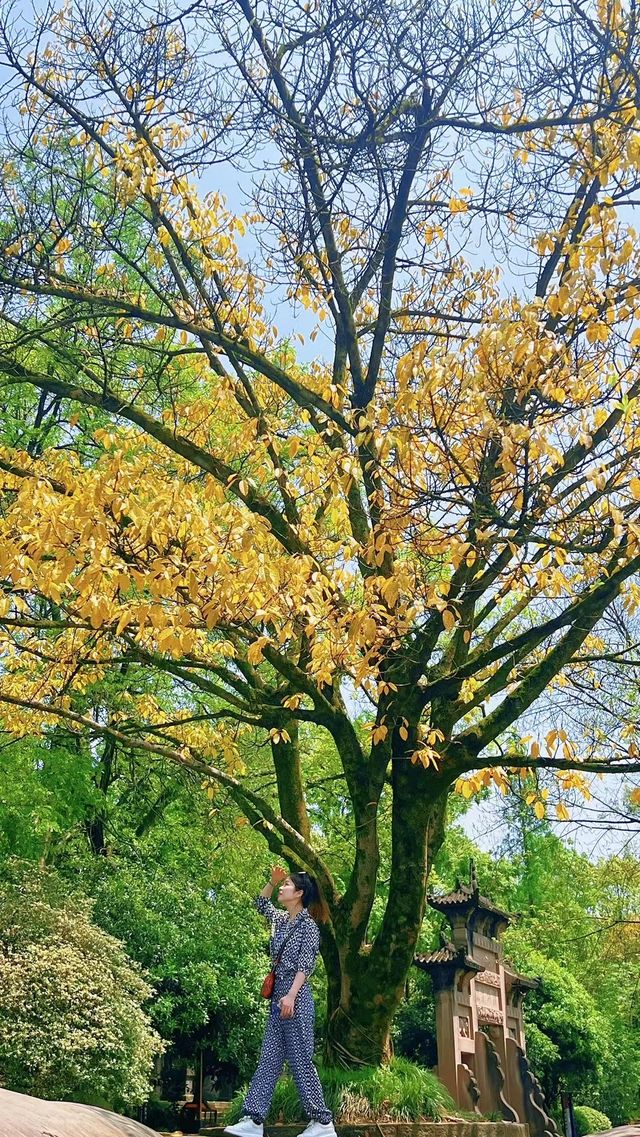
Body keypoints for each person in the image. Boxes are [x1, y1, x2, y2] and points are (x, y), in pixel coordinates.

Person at [224, 867, 337, 1137]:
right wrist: (272, 882)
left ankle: (322, 1122)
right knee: (269, 1059)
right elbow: (260, 903)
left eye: (286, 885)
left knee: (300, 1060)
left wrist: (291, 995)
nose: (283, 888)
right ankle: (254, 1120)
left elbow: (305, 964)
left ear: (299, 894)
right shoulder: (281, 920)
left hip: (294, 996)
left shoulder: (308, 925)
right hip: (278, 997)